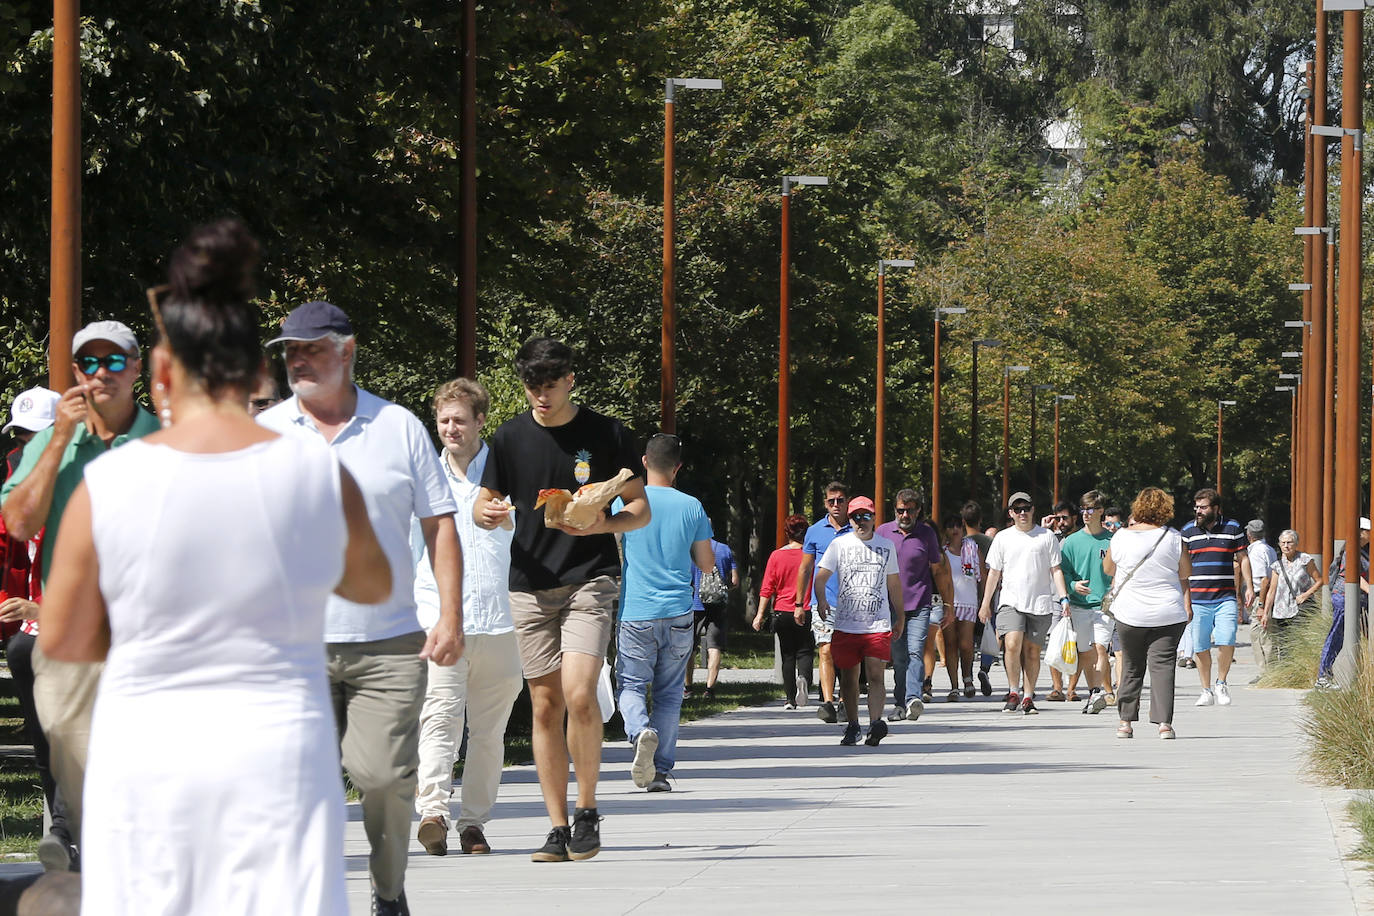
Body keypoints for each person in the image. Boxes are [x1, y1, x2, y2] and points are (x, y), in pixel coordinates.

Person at [38, 219, 391, 913]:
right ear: (258, 373)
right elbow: (373, 584)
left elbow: (62, 639)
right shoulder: (315, 472)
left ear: (163, 372)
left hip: (146, 748)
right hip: (277, 749)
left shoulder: (109, 485)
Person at [259, 299, 463, 915]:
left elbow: (440, 525)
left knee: (380, 780)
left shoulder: (398, 427)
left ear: (346, 351)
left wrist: (449, 615)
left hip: (389, 644)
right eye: (289, 350)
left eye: (311, 348)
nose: (297, 360)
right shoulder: (266, 433)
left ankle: (387, 888)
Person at [475, 337, 649, 863]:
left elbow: (639, 508)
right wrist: (486, 513)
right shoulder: (508, 438)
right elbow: (487, 501)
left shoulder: (607, 433)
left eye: (549, 386)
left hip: (589, 578)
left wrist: (606, 521)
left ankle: (588, 809)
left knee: (578, 694)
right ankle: (555, 826)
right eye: (532, 387)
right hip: (529, 583)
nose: (540, 396)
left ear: (570, 379)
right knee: (545, 704)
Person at [1, 319, 159, 866]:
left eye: (114, 361)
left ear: (136, 369)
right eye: (88, 363)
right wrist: (59, 442)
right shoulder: (48, 441)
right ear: (74, 372)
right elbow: (18, 523)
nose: (100, 373)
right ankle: (82, 853)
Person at [412, 379, 524, 857]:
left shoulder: (510, 475)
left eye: (460, 419)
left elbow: (535, 538)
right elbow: (407, 550)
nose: (451, 428)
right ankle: (433, 812)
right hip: (440, 620)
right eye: (443, 420)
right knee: (438, 717)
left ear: (481, 422)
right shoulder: (422, 479)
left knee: (488, 731)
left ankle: (474, 824)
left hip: (503, 620)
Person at [0, 386, 72, 871]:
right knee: (45, 745)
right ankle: (67, 842)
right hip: (27, 637)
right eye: (21, 436)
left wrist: (41, 608)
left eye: (37, 436)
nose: (27, 445)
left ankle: (67, 830)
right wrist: (9, 605)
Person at [616, 433, 713, 793]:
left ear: (643, 462)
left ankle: (640, 730)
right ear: (678, 467)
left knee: (630, 683)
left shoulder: (626, 503)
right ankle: (658, 772)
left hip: (636, 609)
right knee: (671, 692)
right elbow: (705, 562)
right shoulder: (692, 506)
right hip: (678, 610)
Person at [812, 497, 903, 747]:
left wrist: (901, 615)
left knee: (876, 675)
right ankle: (853, 726)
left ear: (874, 518)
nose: (861, 522)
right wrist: (821, 600)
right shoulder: (839, 545)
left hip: (878, 624)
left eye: (866, 516)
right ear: (849, 520)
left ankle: (875, 724)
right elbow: (820, 578)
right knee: (850, 679)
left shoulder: (886, 546)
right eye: (855, 517)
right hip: (846, 624)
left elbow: (894, 583)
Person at [1103, 487, 1191, 739]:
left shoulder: (1121, 537)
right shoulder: (1174, 538)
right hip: (1168, 612)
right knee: (1163, 666)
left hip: (1130, 613)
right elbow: (1185, 572)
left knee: (1131, 665)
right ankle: (1164, 724)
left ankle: (1125, 722)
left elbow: (1108, 569)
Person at [977, 492, 1072, 715]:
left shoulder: (1046, 537)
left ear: (1032, 510)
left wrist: (1064, 597)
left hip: (1040, 603)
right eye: (1017, 509)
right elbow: (993, 573)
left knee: (1032, 651)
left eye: (1026, 508)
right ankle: (1013, 691)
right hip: (1011, 601)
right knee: (1011, 644)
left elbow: (1056, 570)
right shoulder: (1003, 537)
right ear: (1011, 513)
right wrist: (985, 603)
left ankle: (1028, 695)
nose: (1022, 513)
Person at [876, 487, 950, 720]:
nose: (905, 515)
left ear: (918, 511)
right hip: (891, 606)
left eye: (909, 511)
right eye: (900, 511)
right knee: (899, 658)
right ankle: (899, 702)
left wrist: (948, 604)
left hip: (919, 603)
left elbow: (938, 570)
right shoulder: (883, 532)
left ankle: (913, 699)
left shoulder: (926, 534)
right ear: (895, 510)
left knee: (916, 651)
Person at [1180, 488, 1250, 707]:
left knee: (1227, 638)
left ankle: (1221, 682)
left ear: (1216, 508)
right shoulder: (1187, 531)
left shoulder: (1233, 527)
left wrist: (1248, 586)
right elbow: (1182, 569)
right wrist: (1185, 601)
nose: (1198, 511)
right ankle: (1206, 689)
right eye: (1196, 507)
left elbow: (1243, 557)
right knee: (1200, 646)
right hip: (1198, 598)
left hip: (1225, 597)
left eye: (1203, 507)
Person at [796, 481, 852, 723]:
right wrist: (799, 603)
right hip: (823, 601)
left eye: (840, 500)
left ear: (847, 501)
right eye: (831, 501)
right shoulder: (815, 531)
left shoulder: (857, 529)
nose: (836, 505)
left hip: (852, 602)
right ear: (825, 503)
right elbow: (805, 568)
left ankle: (844, 700)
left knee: (846, 653)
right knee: (826, 650)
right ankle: (828, 702)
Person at [1058, 489, 1114, 713]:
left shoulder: (1113, 540)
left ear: (1101, 511)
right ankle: (1094, 693)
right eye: (1083, 510)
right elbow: (1063, 571)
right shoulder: (1071, 542)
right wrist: (1073, 586)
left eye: (1090, 510)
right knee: (1086, 652)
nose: (1085, 514)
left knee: (1100, 648)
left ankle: (1100, 690)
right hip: (1079, 606)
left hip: (1104, 607)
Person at [753, 514, 814, 709]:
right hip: (805, 608)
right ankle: (803, 678)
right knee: (805, 650)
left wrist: (760, 615)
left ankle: (789, 699)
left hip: (781, 611)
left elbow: (767, 588)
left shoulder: (776, 556)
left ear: (787, 533)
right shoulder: (810, 555)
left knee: (787, 654)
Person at [1317, 518, 1370, 688]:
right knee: (1336, 636)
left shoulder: (1363, 551)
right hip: (1344, 598)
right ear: (1361, 532)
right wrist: (1370, 590)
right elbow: (1352, 575)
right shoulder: (1351, 551)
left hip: (1358, 600)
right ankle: (1323, 676)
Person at [1258, 529, 1321, 665]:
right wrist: (1265, 612)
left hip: (1300, 609)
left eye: (1289, 542)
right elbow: (1272, 591)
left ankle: (1301, 669)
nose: (1286, 546)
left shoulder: (1305, 560)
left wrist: (1306, 594)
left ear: (1296, 544)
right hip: (1281, 611)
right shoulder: (1277, 565)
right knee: (1284, 644)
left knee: (1298, 640)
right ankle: (1288, 672)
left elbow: (1320, 581)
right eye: (1283, 543)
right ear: (1279, 545)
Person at [686, 537, 737, 699]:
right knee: (714, 646)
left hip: (694, 604)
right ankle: (709, 689)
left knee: (689, 647)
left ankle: (688, 688)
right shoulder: (724, 549)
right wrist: (722, 590)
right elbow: (735, 580)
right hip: (717, 605)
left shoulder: (689, 549)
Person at [942, 515, 984, 700]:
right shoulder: (942, 552)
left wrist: (985, 601)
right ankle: (954, 686)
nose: (955, 530)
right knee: (950, 644)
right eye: (950, 526)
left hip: (968, 601)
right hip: (948, 603)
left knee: (966, 644)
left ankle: (967, 676)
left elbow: (982, 574)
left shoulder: (972, 549)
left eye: (957, 525)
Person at [962, 501, 996, 696]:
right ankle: (984, 669)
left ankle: (967, 677)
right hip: (986, 595)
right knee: (987, 636)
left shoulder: (961, 543)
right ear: (981, 520)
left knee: (966, 641)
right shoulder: (989, 542)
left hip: (965, 598)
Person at [1244, 519, 1279, 672]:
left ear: (1249, 534)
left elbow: (1263, 580)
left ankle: (1266, 672)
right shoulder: (1269, 549)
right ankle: (1271, 670)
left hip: (1261, 596)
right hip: (1269, 595)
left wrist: (1260, 605)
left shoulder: (1256, 552)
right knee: (1267, 634)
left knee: (1258, 634)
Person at [3, 387, 60, 480]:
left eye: (32, 429)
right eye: (18, 429)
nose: (24, 436)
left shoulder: (82, 456)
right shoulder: (16, 458)